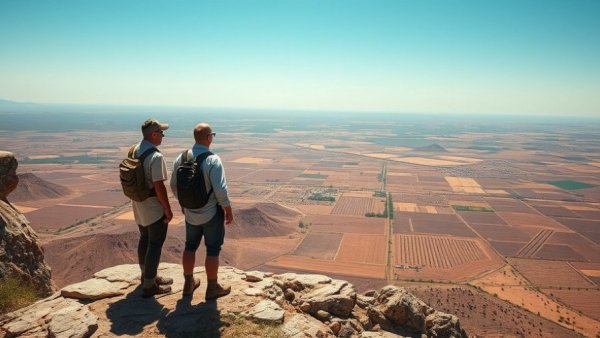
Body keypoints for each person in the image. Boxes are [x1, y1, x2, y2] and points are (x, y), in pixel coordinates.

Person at [170, 123, 233, 300]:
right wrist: (228, 209)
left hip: (190, 213)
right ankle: (212, 288)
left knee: (190, 246)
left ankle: (188, 284)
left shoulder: (181, 158)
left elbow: (174, 185)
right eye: (212, 134)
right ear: (208, 138)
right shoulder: (213, 160)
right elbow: (220, 190)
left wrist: (184, 203)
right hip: (211, 212)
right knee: (213, 249)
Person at [131, 118, 174, 297]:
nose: (163, 136)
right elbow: (159, 186)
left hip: (138, 204)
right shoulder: (155, 157)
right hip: (153, 206)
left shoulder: (134, 150)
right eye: (161, 133)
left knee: (144, 239)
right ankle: (149, 286)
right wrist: (167, 208)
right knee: (155, 244)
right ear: (154, 134)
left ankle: (147, 276)